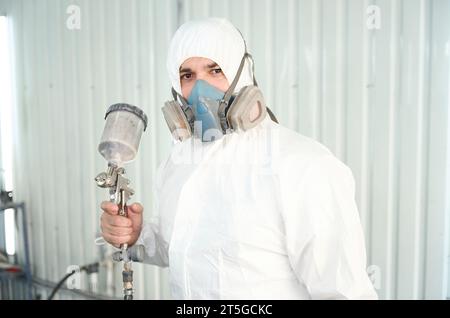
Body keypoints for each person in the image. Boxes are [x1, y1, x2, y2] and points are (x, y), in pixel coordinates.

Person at [100, 17, 378, 300]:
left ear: (242, 73)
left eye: (215, 70)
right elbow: (179, 247)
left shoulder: (303, 166)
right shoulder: (178, 163)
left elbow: (344, 292)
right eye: (187, 75)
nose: (200, 87)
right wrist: (137, 236)